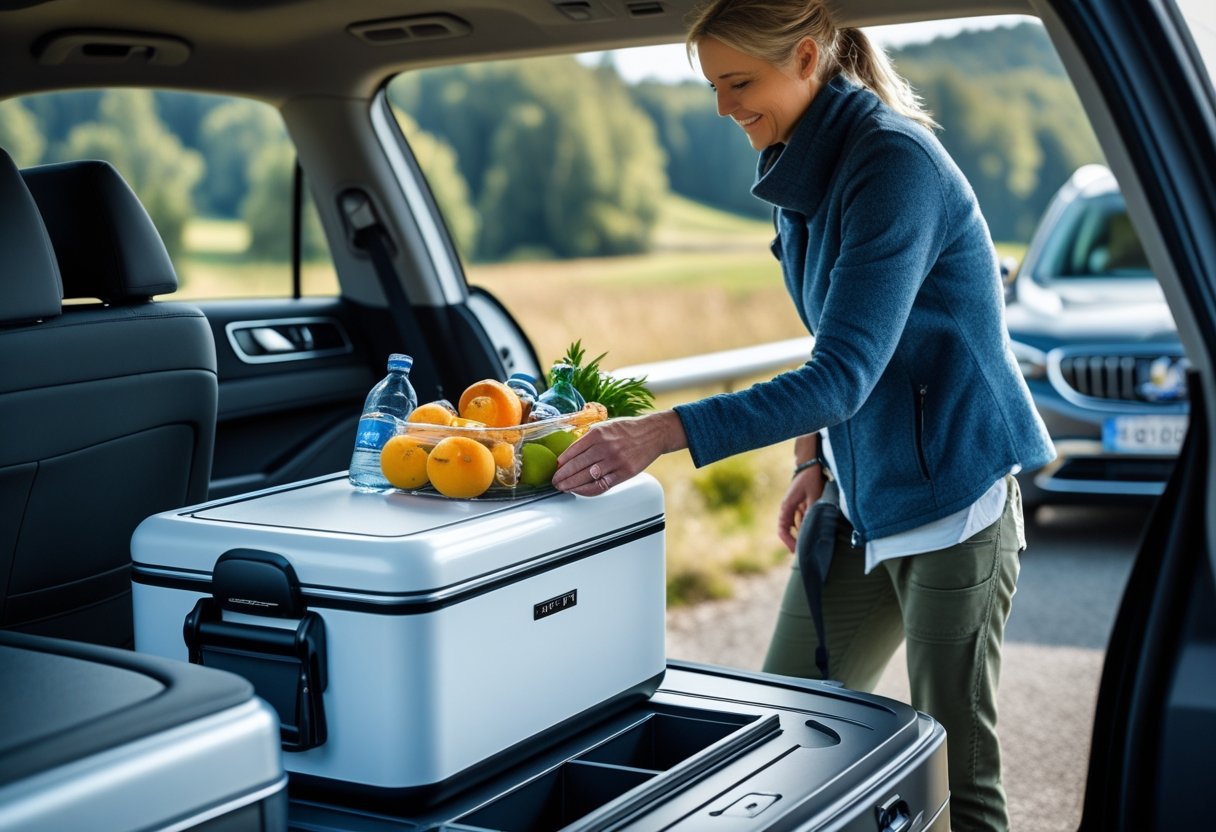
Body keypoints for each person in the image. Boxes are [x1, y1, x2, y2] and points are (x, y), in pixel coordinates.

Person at [551, 0, 1054, 828]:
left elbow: (843, 374)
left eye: (740, 81)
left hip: (956, 499)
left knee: (958, 780)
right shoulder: (800, 168)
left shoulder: (894, 166)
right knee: (785, 726)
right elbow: (834, 340)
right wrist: (810, 461)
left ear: (809, 57)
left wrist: (659, 433)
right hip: (859, 498)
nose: (724, 106)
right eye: (714, 85)